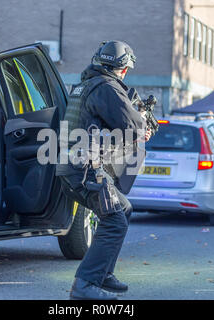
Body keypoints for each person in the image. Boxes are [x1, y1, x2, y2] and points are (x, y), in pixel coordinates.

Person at [56, 40, 152, 300]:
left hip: (71, 168)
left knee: (124, 208)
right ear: (122, 69)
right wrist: (143, 125)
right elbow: (133, 126)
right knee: (115, 221)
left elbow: (100, 129)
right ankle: (84, 286)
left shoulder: (85, 85)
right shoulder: (107, 88)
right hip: (85, 172)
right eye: (126, 70)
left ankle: (103, 274)